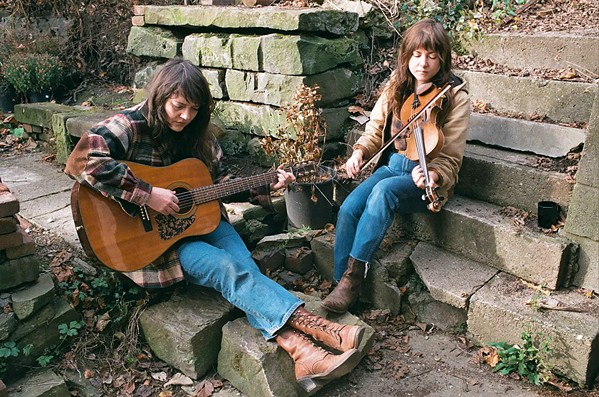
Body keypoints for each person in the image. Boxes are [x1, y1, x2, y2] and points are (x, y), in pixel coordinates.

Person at [64, 58, 364, 389]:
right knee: (227, 268)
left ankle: (302, 353)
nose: (186, 117)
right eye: (179, 106)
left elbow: (222, 182)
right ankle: (320, 328)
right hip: (153, 243)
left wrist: (267, 183)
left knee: (244, 267)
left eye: (194, 109)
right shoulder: (131, 124)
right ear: (160, 95)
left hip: (201, 223)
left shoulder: (200, 135)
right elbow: (82, 159)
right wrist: (148, 195)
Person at [322, 19, 471, 313]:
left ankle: (352, 282)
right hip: (392, 166)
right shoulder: (397, 85)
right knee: (350, 207)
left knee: (383, 193)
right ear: (406, 55)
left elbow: (452, 156)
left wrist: (434, 172)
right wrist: (360, 152)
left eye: (431, 55)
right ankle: (339, 281)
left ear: (443, 57)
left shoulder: (455, 97)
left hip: (422, 179)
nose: (423, 63)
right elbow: (376, 128)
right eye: (416, 54)